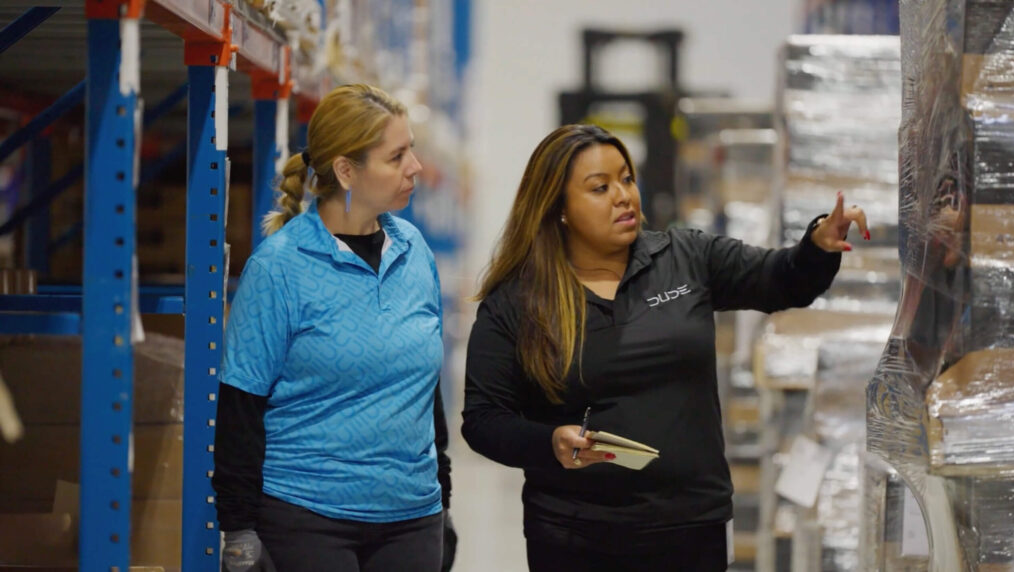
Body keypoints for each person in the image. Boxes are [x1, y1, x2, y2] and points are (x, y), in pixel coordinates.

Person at [461, 124, 868, 571]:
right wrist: (549, 443)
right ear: (559, 209)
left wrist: (818, 246)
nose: (623, 196)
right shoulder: (517, 301)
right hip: (574, 534)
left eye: (627, 179)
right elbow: (484, 421)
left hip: (690, 529)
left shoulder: (685, 257)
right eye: (600, 188)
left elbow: (781, 279)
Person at [213, 84, 455, 572]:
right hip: (307, 519)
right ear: (346, 170)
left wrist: (443, 496)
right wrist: (238, 528)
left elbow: (424, 390)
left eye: (412, 151)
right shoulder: (280, 268)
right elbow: (241, 404)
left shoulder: (414, 251)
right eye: (397, 156)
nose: (416, 168)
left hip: (412, 517)